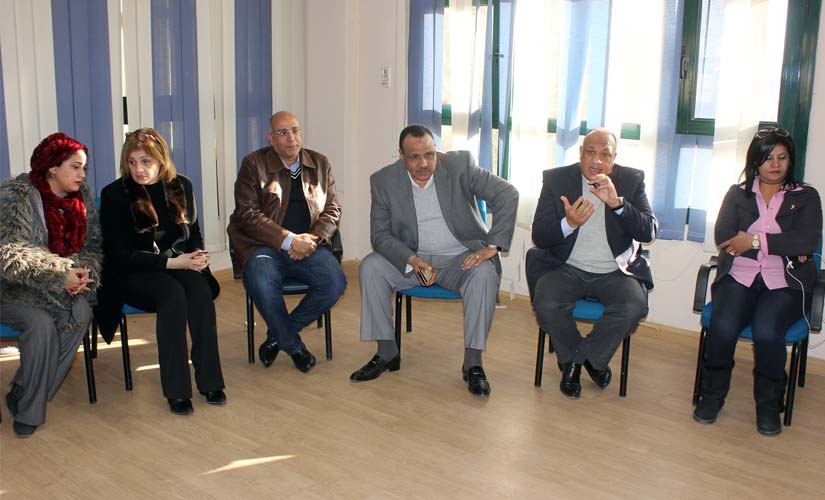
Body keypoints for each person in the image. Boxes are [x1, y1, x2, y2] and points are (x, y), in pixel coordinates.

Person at [351, 124, 518, 396]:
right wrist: (411, 260)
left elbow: (507, 194)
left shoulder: (460, 166)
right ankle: (387, 351)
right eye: (414, 157)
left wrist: (492, 246)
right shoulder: (383, 181)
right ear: (401, 156)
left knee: (484, 274)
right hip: (414, 260)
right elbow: (380, 235)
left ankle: (473, 363)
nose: (423, 164)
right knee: (371, 267)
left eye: (429, 155)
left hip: (459, 259)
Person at [693, 128, 821, 436]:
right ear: (755, 161)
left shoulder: (806, 196)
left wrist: (752, 240)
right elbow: (724, 236)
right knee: (723, 326)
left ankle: (768, 403)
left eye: (782, 157)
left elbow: (807, 241)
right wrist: (780, 243)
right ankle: (713, 395)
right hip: (740, 275)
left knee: (767, 330)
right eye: (767, 158)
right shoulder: (738, 194)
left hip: (786, 281)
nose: (775, 164)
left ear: (791, 160)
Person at [96, 128, 225, 415]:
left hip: (175, 264)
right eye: (132, 162)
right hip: (133, 272)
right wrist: (172, 264)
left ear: (161, 161)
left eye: (146, 162)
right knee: (172, 294)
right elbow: (120, 256)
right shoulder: (116, 194)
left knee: (199, 290)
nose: (138, 169)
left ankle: (210, 381)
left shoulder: (180, 186)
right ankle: (177, 390)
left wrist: (197, 255)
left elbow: (192, 232)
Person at [527, 128, 657, 400]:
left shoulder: (631, 180)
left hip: (614, 271)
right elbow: (540, 235)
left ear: (614, 158)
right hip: (567, 266)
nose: (597, 160)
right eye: (590, 152)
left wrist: (618, 204)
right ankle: (590, 361)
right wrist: (568, 223)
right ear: (580, 153)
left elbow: (649, 231)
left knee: (634, 306)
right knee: (546, 303)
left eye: (605, 154)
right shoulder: (556, 179)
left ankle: (576, 361)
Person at [0, 132, 101, 437]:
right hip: (13, 289)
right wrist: (60, 274)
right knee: (41, 325)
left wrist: (82, 273)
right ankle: (31, 410)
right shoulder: (17, 195)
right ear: (53, 168)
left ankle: (23, 389)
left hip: (61, 287)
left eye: (83, 168)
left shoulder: (82, 198)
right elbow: (9, 254)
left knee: (81, 313)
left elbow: (92, 246)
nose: (82, 175)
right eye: (75, 167)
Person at [227, 111, 346, 372]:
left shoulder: (320, 163)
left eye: (295, 130)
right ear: (270, 138)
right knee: (261, 280)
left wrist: (311, 240)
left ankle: (277, 336)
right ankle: (294, 346)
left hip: (308, 245)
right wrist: (289, 240)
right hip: (263, 246)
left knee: (335, 282)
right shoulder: (253, 164)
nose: (291, 138)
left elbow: (332, 208)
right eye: (282, 133)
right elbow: (247, 213)